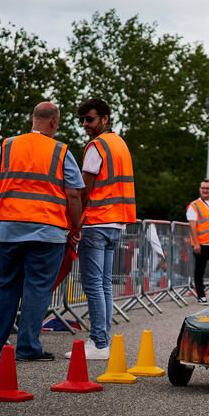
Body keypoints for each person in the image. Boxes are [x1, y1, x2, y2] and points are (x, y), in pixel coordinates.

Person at [0, 102, 84, 361]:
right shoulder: (60, 151)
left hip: (9, 229)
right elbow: (73, 193)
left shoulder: (8, 145)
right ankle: (27, 348)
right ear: (54, 123)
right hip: (47, 231)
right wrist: (75, 226)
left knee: (3, 286)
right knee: (37, 288)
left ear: (32, 119)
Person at [64, 98, 136, 360]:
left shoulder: (97, 146)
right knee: (104, 285)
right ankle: (102, 340)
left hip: (96, 221)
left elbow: (84, 190)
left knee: (95, 285)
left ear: (105, 119)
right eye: (82, 120)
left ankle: (99, 342)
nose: (85, 125)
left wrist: (75, 223)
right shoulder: (119, 144)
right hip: (115, 222)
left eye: (90, 119)